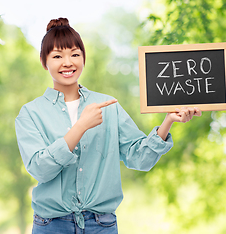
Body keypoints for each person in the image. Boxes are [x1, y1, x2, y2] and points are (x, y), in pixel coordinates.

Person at [15, 17, 202, 234]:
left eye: (75, 54)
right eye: (57, 56)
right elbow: (40, 169)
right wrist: (80, 126)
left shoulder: (108, 106)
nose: (68, 63)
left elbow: (139, 158)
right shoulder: (31, 113)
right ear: (44, 61)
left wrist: (168, 120)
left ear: (84, 58)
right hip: (52, 225)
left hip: (101, 225)